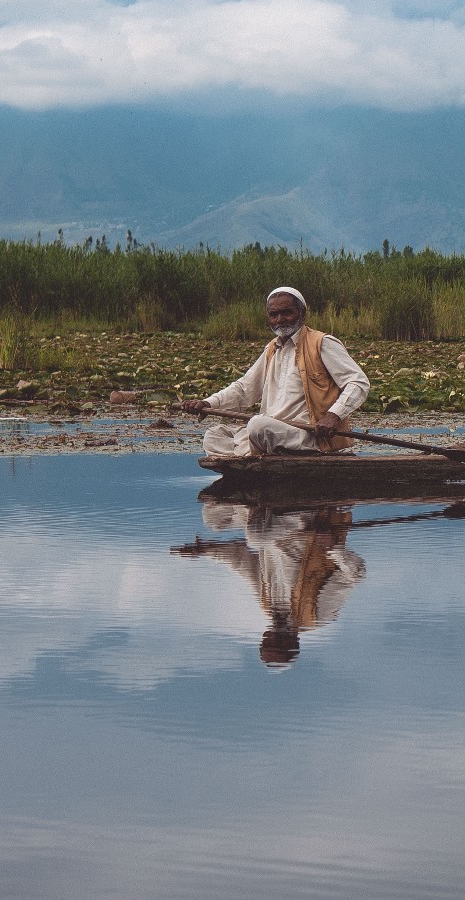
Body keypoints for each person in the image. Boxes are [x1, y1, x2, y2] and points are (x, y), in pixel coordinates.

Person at [180, 286, 370, 458]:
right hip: (273, 433)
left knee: (257, 426)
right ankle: (259, 453)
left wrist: (333, 415)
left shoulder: (322, 343)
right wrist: (207, 403)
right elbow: (245, 389)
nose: (280, 319)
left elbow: (358, 383)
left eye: (287, 313)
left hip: (308, 436)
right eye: (274, 314)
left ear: (302, 313)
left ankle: (263, 453)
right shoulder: (272, 348)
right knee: (214, 436)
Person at [175, 500, 365, 668]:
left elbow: (242, 562)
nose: (272, 634)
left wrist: (205, 551)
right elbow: (355, 574)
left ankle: (259, 498)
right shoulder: (317, 615)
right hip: (304, 525)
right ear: (293, 641)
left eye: (268, 640)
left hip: (271, 528)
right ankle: (270, 502)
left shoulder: (268, 606)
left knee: (214, 519)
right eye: (278, 640)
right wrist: (333, 548)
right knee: (256, 536)